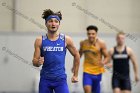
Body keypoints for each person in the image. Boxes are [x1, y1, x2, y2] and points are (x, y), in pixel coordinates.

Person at [32, 9, 80, 93]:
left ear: (59, 24)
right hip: (45, 80)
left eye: (56, 21)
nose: (53, 24)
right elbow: (34, 61)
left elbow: (76, 55)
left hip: (60, 80)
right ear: (46, 23)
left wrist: (75, 75)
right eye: (50, 21)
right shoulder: (40, 40)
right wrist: (38, 62)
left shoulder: (66, 39)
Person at [79, 25, 109, 93]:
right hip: (87, 71)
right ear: (87, 34)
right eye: (89, 34)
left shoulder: (101, 43)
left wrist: (103, 62)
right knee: (87, 90)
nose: (91, 35)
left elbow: (107, 57)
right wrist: (75, 67)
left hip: (98, 72)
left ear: (96, 34)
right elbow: (78, 56)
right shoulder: (83, 43)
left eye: (93, 34)